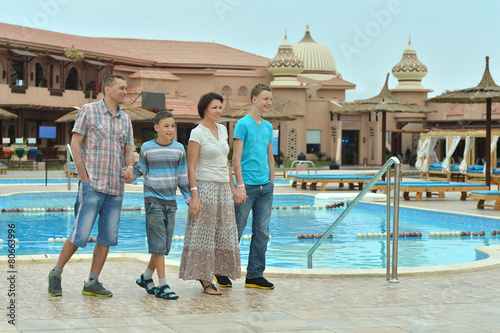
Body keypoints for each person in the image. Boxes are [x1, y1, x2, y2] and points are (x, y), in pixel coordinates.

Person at [47, 75, 134, 297]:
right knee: (80, 235)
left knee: (106, 238)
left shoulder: (126, 119)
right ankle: (56, 274)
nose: (125, 91)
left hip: (115, 188)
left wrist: (130, 168)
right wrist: (84, 179)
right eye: (121, 88)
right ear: (107, 89)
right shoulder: (88, 111)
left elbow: (128, 150)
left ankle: (92, 282)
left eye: (126, 88)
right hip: (92, 185)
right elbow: (75, 145)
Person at [123, 111, 191, 299]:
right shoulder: (147, 147)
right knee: (159, 244)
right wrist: (129, 176)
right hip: (153, 201)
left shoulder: (179, 149)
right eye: (166, 126)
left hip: (171, 202)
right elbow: (141, 169)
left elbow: (182, 177)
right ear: (156, 128)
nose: (170, 129)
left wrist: (189, 199)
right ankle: (163, 285)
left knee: (164, 246)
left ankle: (146, 277)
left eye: (172, 126)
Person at [178, 92, 241, 295]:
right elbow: (191, 167)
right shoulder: (197, 133)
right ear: (204, 108)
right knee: (203, 235)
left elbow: (226, 162)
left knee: (223, 234)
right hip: (205, 187)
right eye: (214, 107)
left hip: (223, 189)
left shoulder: (223, 130)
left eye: (220, 107)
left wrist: (233, 188)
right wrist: (194, 196)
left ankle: (217, 273)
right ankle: (205, 280)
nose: (218, 111)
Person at [215, 83, 275, 290]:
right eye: (265, 98)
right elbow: (236, 158)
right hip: (247, 187)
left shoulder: (268, 127)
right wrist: (239, 185)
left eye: (270, 99)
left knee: (262, 232)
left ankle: (255, 275)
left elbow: (270, 157)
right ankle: (221, 271)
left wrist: (271, 182)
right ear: (255, 99)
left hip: (265, 187)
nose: (269, 102)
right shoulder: (242, 124)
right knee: (236, 230)